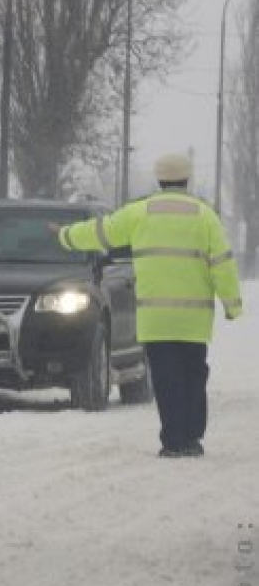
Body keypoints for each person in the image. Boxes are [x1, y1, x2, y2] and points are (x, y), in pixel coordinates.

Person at [56, 153, 242, 458]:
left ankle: (172, 441)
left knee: (167, 380)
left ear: (160, 179)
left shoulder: (139, 213)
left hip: (157, 320)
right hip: (194, 323)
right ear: (187, 179)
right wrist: (232, 305)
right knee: (194, 377)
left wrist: (65, 236)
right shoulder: (205, 216)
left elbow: (100, 232)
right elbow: (223, 264)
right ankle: (192, 439)